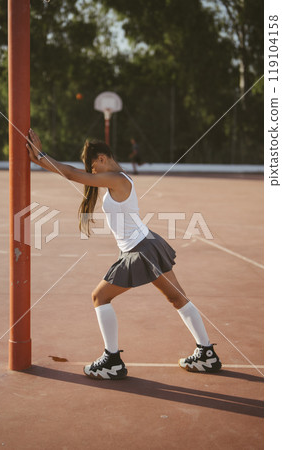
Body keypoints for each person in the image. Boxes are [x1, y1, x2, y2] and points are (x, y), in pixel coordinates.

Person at [26, 128, 222, 380]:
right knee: (177, 298)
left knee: (100, 297)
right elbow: (74, 174)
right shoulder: (117, 179)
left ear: (101, 159)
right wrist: (41, 161)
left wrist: (42, 156)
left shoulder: (117, 179)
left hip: (141, 249)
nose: (93, 175)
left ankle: (112, 361)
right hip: (145, 244)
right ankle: (206, 353)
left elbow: (74, 175)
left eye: (93, 169)